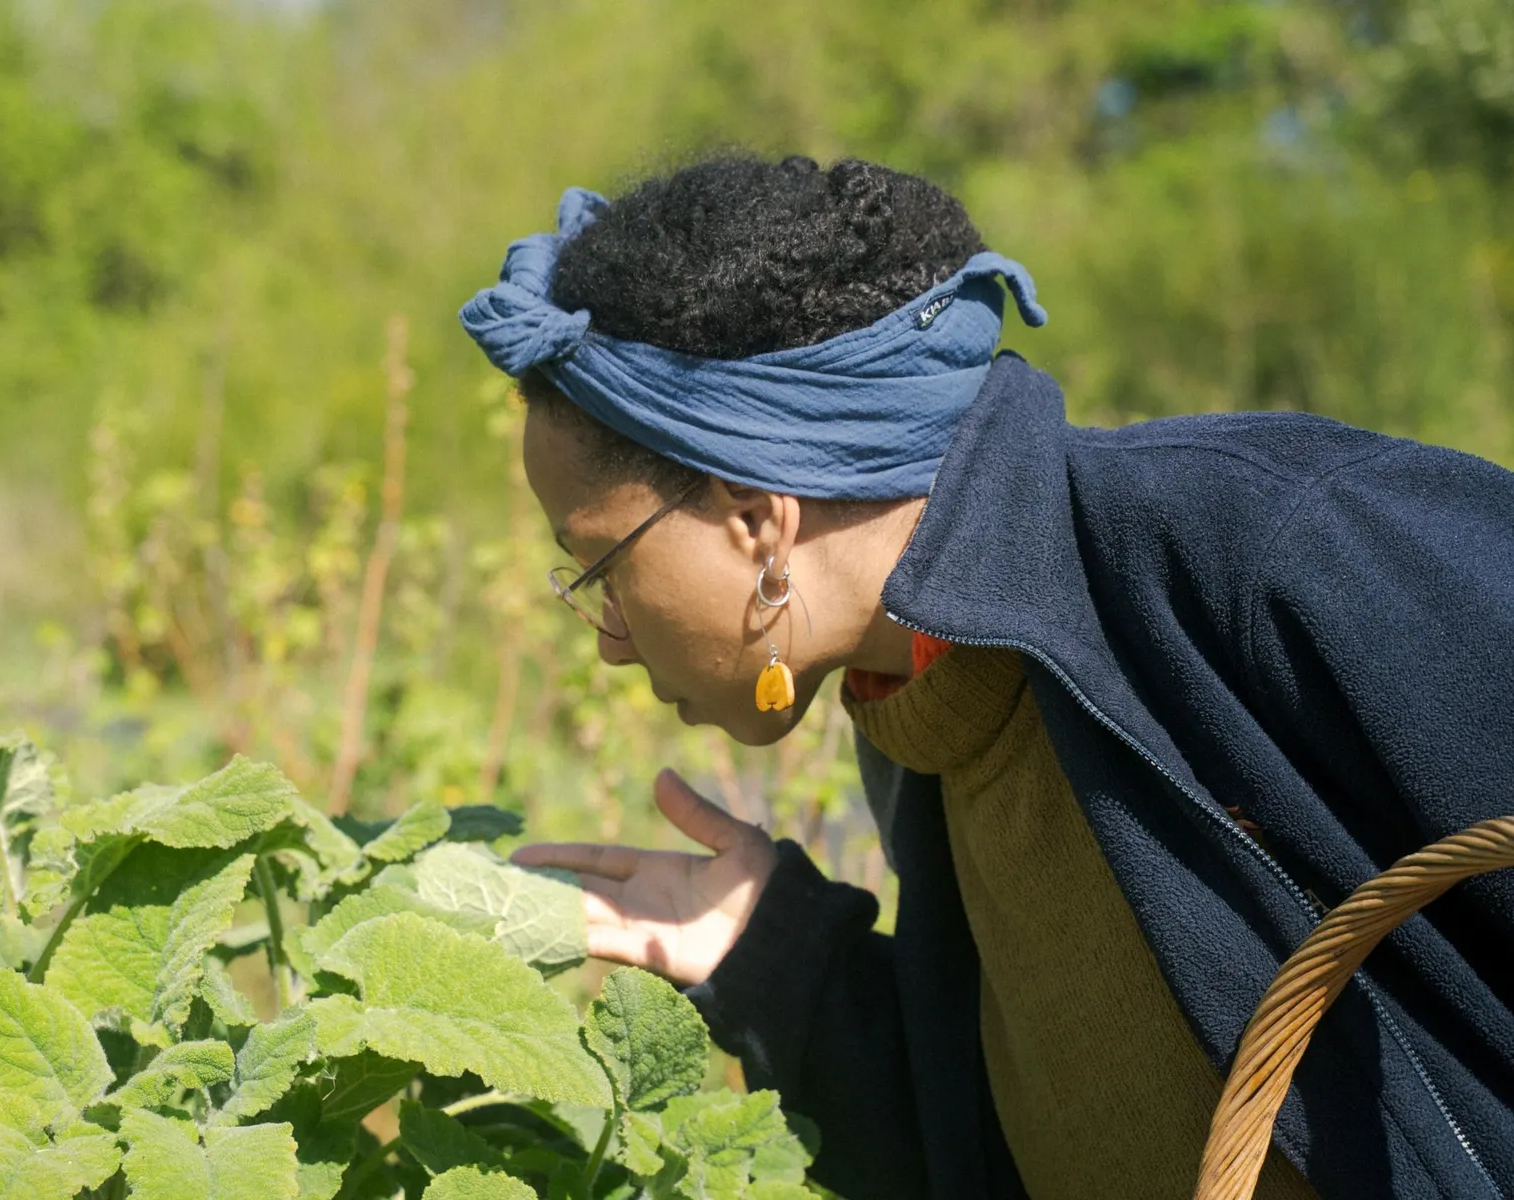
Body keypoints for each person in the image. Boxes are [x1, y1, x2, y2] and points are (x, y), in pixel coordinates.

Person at [457, 154, 1514, 1200]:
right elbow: (1042, 1145)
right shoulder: (921, 706)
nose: (605, 635)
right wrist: (778, 958)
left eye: (600, 565)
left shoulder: (1267, 540)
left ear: (755, 522)